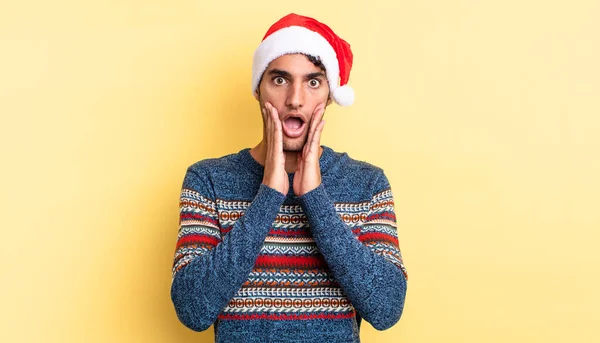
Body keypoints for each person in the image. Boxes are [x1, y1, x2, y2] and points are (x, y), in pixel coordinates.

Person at [170, 13, 407, 343]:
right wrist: (268, 194)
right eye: (280, 80)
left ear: (329, 94)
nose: (295, 99)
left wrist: (315, 198)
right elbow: (193, 310)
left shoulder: (367, 184)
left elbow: (386, 309)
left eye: (313, 82)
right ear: (258, 89)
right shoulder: (207, 180)